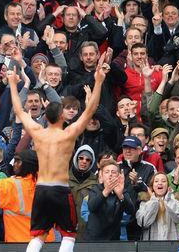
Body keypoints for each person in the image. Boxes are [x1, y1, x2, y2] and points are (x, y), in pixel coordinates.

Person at [8, 50, 108, 252]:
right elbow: (90, 110)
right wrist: (98, 81)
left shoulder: (38, 132)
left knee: (39, 235)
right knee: (69, 235)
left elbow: (19, 110)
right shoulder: (68, 133)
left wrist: (12, 83)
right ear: (62, 116)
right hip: (61, 190)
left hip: (42, 189)